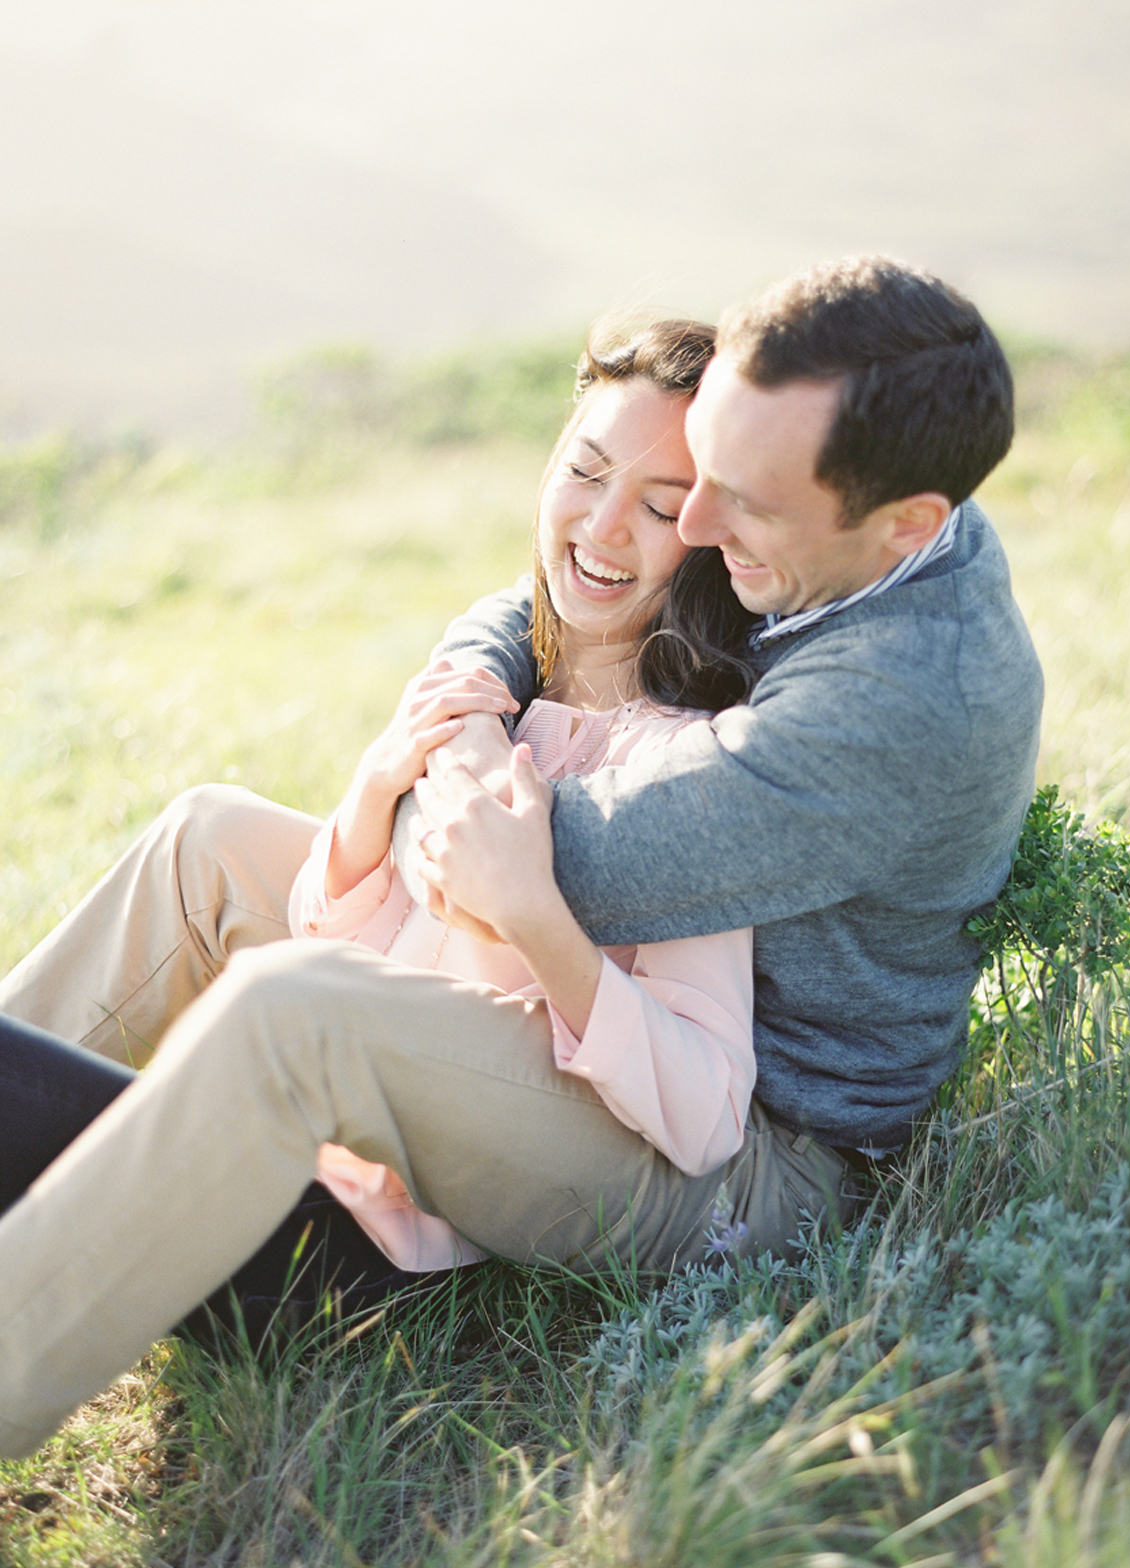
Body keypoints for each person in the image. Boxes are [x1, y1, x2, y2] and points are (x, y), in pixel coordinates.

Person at [0, 255, 1042, 1461]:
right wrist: (475, 696)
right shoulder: (851, 492)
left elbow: (550, 873)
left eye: (711, 501)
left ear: (898, 522)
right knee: (208, 836)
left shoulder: (881, 709)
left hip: (760, 1150)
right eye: (687, 472)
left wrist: (441, 764)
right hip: (607, 991)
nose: (694, 518)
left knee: (306, 1009)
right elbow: (563, 584)